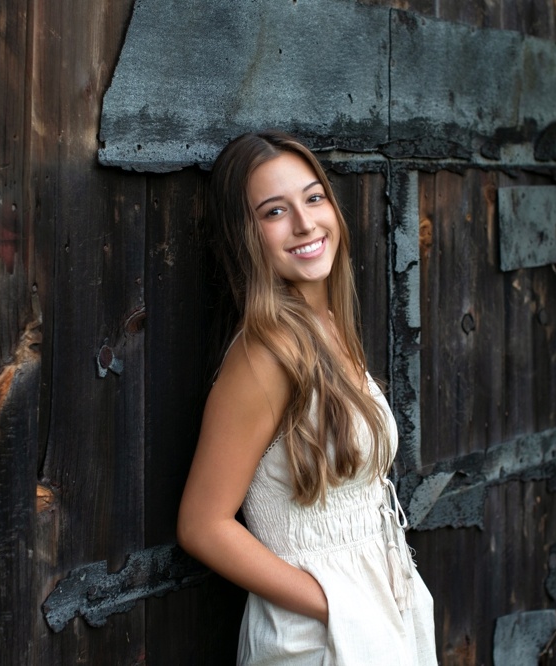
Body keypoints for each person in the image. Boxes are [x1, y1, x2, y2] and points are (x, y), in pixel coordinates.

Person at [177, 131, 436, 665]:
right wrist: (334, 605)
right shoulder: (265, 355)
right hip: (321, 638)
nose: (304, 223)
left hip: (381, 607)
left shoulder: (330, 326)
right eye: (275, 211)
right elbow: (203, 525)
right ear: (244, 234)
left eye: (313, 198)